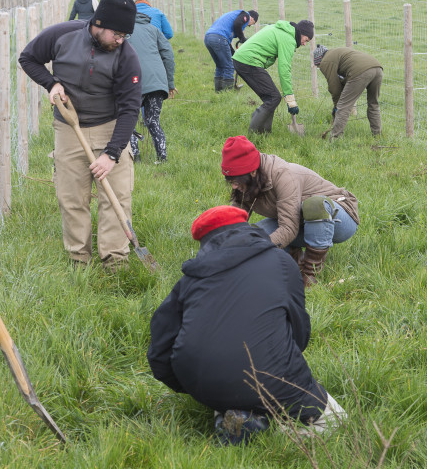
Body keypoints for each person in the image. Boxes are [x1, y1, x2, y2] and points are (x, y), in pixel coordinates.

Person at [148, 205, 345, 445]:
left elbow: (159, 351)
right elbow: (299, 331)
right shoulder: (282, 263)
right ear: (246, 228)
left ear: (205, 241)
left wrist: (193, 384)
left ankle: (231, 412)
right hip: (269, 373)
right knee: (337, 421)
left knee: (227, 381)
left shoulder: (188, 281)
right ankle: (270, 433)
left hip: (200, 381)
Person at [18, 0, 141, 267]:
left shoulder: (126, 55)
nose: (121, 40)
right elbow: (28, 58)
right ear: (99, 23)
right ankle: (78, 258)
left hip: (110, 126)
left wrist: (112, 154)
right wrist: (51, 84)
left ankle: (115, 260)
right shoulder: (63, 35)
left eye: (125, 35)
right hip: (68, 128)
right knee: (71, 197)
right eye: (117, 34)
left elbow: (131, 108)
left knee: (116, 197)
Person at [220, 136, 360, 287]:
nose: (234, 186)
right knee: (253, 235)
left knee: (314, 205)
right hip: (300, 221)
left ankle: (310, 274)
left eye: (236, 180)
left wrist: (257, 249)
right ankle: (295, 257)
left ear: (253, 172)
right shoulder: (246, 182)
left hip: (339, 219)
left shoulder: (283, 175)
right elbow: (235, 223)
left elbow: (289, 228)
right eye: (230, 181)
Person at [233, 19, 315, 133]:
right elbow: (284, 69)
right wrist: (290, 98)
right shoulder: (288, 39)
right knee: (273, 97)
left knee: (270, 97)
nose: (304, 44)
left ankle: (265, 132)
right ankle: (254, 133)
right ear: (301, 33)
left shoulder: (280, 29)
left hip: (242, 60)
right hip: (248, 62)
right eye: (306, 40)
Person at [125, 9, 176, 163]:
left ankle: (135, 158)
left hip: (134, 82)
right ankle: (162, 158)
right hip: (157, 82)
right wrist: (170, 83)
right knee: (153, 121)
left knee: (130, 120)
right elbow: (168, 54)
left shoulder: (123, 32)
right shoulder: (154, 29)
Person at [312, 44, 383, 139]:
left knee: (343, 106)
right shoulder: (336, 52)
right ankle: (377, 136)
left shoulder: (325, 61)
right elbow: (344, 77)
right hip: (377, 68)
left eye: (318, 66)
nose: (320, 68)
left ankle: (335, 139)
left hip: (361, 71)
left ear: (318, 60)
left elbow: (335, 88)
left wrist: (337, 106)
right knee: (373, 104)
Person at [204, 8, 259, 92]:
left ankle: (218, 92)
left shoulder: (234, 14)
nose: (248, 26)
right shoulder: (246, 15)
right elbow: (237, 24)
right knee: (229, 66)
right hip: (219, 39)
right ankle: (227, 92)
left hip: (208, 38)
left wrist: (233, 53)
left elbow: (225, 40)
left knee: (220, 66)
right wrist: (242, 38)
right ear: (252, 19)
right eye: (251, 24)